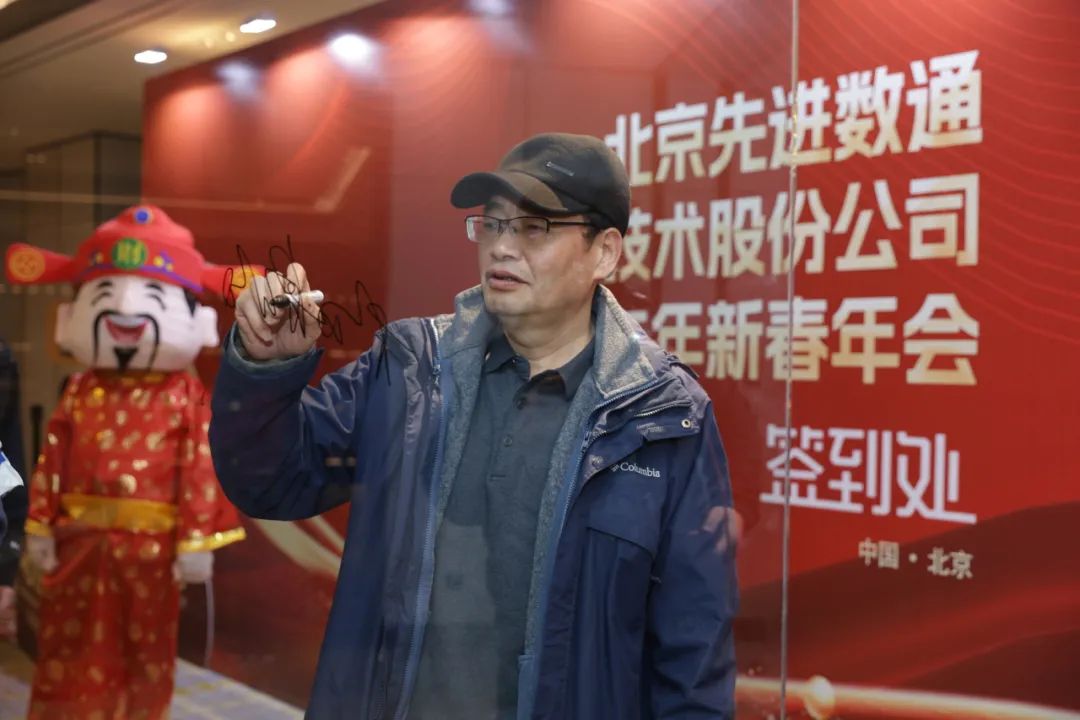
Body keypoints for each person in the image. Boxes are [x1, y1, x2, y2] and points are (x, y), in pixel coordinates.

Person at [210, 132, 738, 719]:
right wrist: (266, 368)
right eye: (492, 224)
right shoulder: (410, 369)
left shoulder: (661, 413)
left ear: (605, 252)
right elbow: (271, 480)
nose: (502, 247)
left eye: (533, 228)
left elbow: (693, 647)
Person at [4, 206, 248, 719]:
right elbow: (53, 458)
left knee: (144, 649)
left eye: (154, 298)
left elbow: (199, 470)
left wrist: (195, 542)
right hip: (77, 546)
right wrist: (41, 526)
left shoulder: (184, 395)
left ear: (198, 323)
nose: (126, 313)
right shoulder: (80, 389)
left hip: (151, 555)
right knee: (67, 643)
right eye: (105, 296)